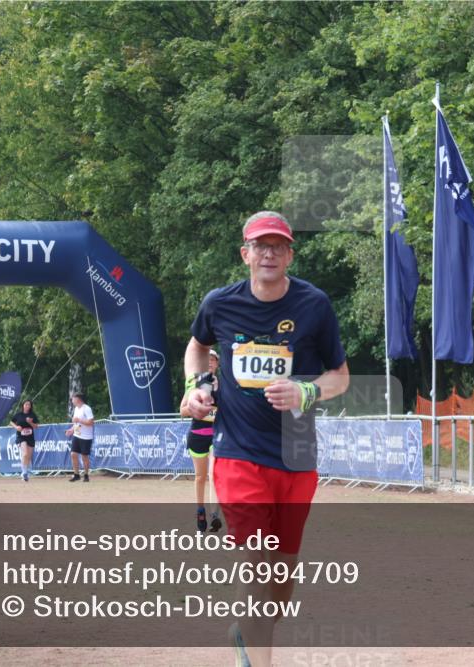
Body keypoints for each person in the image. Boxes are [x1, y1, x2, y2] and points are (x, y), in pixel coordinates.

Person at [184, 211, 349, 666]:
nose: (269, 252)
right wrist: (195, 386)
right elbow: (197, 345)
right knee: (257, 565)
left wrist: (306, 390)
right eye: (261, 245)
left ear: (290, 254)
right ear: (246, 254)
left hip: (296, 458)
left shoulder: (314, 305)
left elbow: (340, 377)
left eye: (278, 245)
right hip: (238, 455)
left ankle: (245, 631)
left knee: (280, 584)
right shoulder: (219, 304)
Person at [179, 349, 223, 533]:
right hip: (198, 435)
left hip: (217, 435)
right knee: (200, 477)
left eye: (214, 360)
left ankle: (216, 515)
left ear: (218, 364)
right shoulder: (195, 385)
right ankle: (200, 511)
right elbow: (182, 410)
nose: (210, 362)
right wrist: (195, 407)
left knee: (216, 475)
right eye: (208, 359)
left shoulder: (224, 385)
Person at [65, 392, 94, 482]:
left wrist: (80, 420)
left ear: (78, 399)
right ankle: (76, 474)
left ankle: (86, 475)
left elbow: (91, 423)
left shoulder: (87, 408)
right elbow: (76, 423)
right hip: (77, 435)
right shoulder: (76, 409)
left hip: (86, 437)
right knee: (73, 454)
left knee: (84, 456)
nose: (72, 400)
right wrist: (71, 429)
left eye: (73, 398)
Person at [9, 399, 40, 482]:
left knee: (28, 457)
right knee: (25, 454)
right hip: (21, 436)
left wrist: (30, 423)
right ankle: (24, 473)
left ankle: (25, 471)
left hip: (30, 437)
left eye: (29, 405)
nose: (27, 406)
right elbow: (11, 422)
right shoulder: (18, 415)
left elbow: (36, 426)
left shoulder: (32, 415)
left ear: (31, 406)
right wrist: (16, 427)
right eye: (26, 404)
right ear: (23, 405)